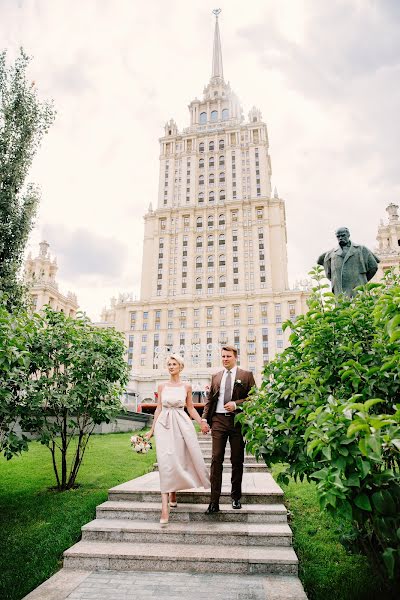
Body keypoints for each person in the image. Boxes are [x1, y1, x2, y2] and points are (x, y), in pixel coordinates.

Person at [145, 354, 210, 525]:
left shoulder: (187, 386)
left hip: (182, 425)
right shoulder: (161, 386)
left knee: (178, 460)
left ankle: (173, 493)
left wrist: (201, 422)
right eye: (169, 364)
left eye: (174, 364)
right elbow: (158, 408)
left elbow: (190, 408)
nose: (171, 366)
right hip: (164, 426)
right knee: (165, 462)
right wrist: (152, 429)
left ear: (180, 367)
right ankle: (164, 508)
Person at [202, 345, 256, 514]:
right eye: (223, 356)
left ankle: (235, 498)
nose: (225, 359)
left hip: (237, 422)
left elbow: (254, 398)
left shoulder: (246, 375)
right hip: (218, 420)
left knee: (237, 460)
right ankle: (214, 501)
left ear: (235, 357)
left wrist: (236, 404)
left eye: (228, 356)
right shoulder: (216, 376)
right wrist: (204, 418)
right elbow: (210, 399)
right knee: (216, 459)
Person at [319, 227, 379, 297]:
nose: (340, 238)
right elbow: (329, 274)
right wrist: (338, 281)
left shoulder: (361, 249)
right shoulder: (330, 254)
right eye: (338, 236)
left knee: (359, 304)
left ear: (348, 235)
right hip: (340, 292)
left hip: (358, 289)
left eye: (343, 235)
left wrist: (362, 279)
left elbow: (373, 267)